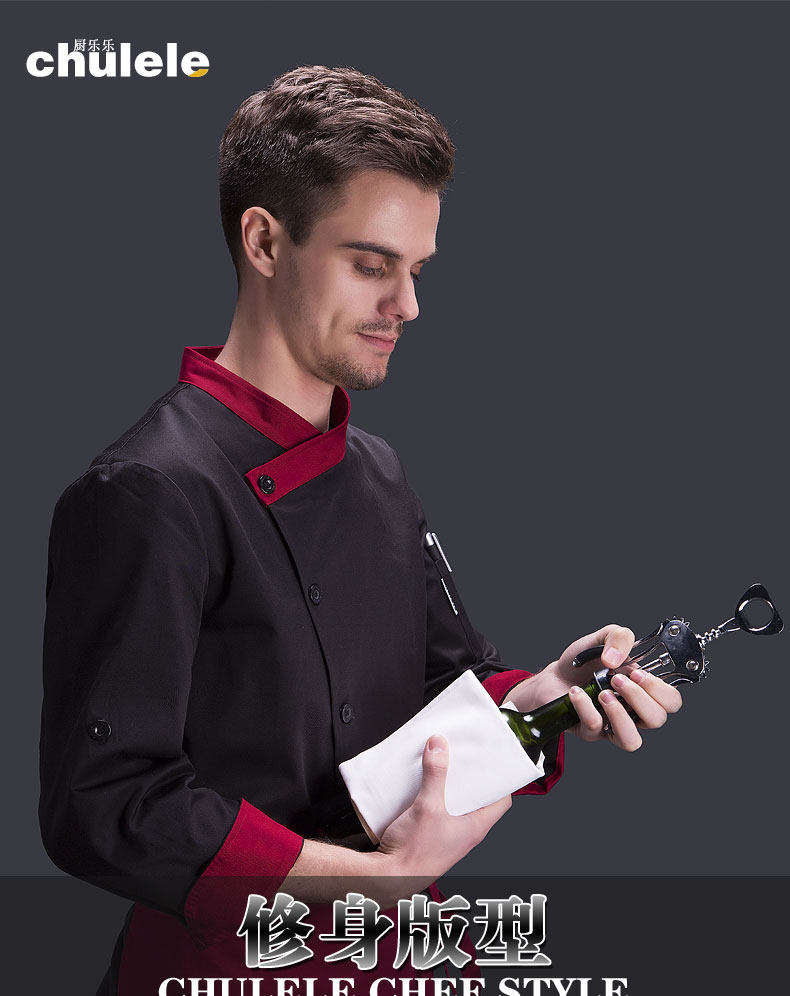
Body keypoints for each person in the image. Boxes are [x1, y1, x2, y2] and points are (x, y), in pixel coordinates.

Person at [40, 66, 682, 994]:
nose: (408, 306)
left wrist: (552, 693)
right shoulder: (148, 489)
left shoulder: (377, 471)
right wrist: (369, 884)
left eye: (416, 270)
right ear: (265, 241)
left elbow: (440, 690)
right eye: (372, 265)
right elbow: (105, 802)